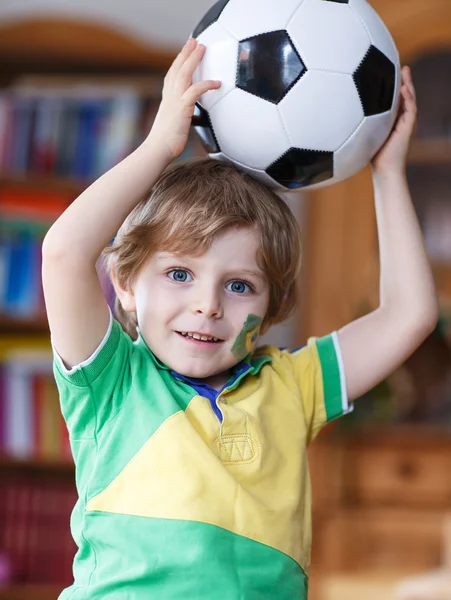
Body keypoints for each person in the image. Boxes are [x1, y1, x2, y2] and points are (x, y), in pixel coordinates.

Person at [42, 38, 438, 600]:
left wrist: (388, 172)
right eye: (179, 273)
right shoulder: (113, 386)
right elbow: (62, 253)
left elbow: (408, 315)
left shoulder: (294, 386)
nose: (208, 305)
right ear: (126, 285)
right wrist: (159, 147)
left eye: (239, 285)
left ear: (271, 308)